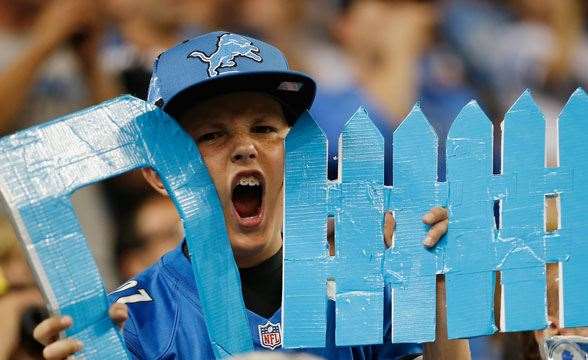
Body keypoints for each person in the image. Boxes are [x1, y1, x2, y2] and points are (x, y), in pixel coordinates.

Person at [32, 31, 466, 359]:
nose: (245, 147)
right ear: (158, 175)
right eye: (211, 134)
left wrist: (438, 287)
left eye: (264, 129)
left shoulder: (363, 288)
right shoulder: (131, 323)